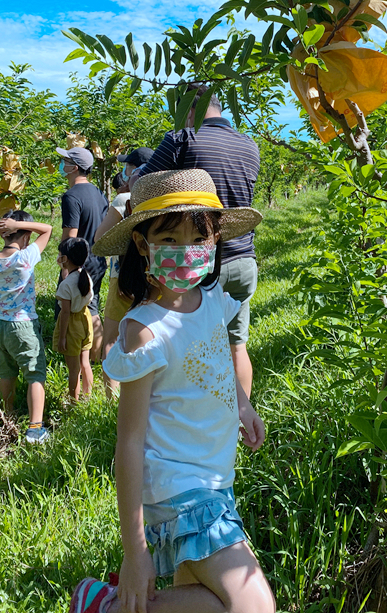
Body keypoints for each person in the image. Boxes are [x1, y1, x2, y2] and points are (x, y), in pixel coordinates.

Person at [70, 169, 274, 613]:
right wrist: (134, 550)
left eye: (196, 238)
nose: (185, 253)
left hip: (216, 477)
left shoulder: (214, 299)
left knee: (205, 602)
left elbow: (219, 361)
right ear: (142, 246)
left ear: (216, 238)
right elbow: (130, 440)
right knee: (253, 605)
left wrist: (243, 404)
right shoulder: (144, 330)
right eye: (168, 240)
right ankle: (107, 607)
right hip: (178, 487)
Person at [134, 85, 260, 397]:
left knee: (190, 348)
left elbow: (144, 184)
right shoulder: (250, 145)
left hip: (195, 262)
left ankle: (195, 417)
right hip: (245, 259)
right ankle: (240, 420)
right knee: (237, 345)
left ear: (190, 109)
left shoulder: (182, 139)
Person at [0, 210, 52, 444]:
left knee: (6, 373)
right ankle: (35, 429)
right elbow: (48, 229)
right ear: (26, 236)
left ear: (3, 235)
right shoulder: (26, 257)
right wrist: (17, 224)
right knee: (35, 375)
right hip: (23, 325)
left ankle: (6, 418)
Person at [96, 147, 154, 398]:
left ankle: (112, 397)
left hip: (123, 279)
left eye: (128, 167)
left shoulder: (124, 200)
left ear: (136, 171)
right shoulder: (159, 198)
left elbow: (100, 241)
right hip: (155, 277)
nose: (125, 171)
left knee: (111, 339)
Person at [56, 146, 108, 362]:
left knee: (71, 308)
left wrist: (64, 268)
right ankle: (96, 358)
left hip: (78, 263)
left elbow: (70, 237)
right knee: (92, 305)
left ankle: (74, 358)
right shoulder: (99, 193)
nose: (61, 165)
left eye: (64, 161)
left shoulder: (71, 196)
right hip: (97, 260)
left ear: (73, 167)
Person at [54, 238, 94, 401]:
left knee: (73, 369)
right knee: (85, 363)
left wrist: (62, 337)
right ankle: (88, 396)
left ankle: (73, 403)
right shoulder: (86, 277)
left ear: (66, 259)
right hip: (86, 319)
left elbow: (65, 312)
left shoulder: (66, 285)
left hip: (72, 325)